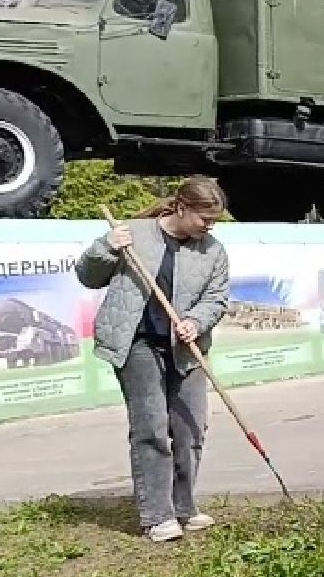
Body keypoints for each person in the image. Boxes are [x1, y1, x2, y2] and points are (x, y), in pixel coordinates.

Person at [76, 177, 232, 543]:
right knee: (151, 426)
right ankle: (156, 515)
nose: (209, 228)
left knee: (191, 427)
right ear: (181, 208)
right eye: (204, 219)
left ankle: (184, 507)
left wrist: (196, 321)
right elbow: (87, 276)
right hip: (137, 344)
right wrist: (105, 248)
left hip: (186, 349)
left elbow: (217, 298)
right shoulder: (133, 233)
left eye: (214, 222)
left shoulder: (213, 251)